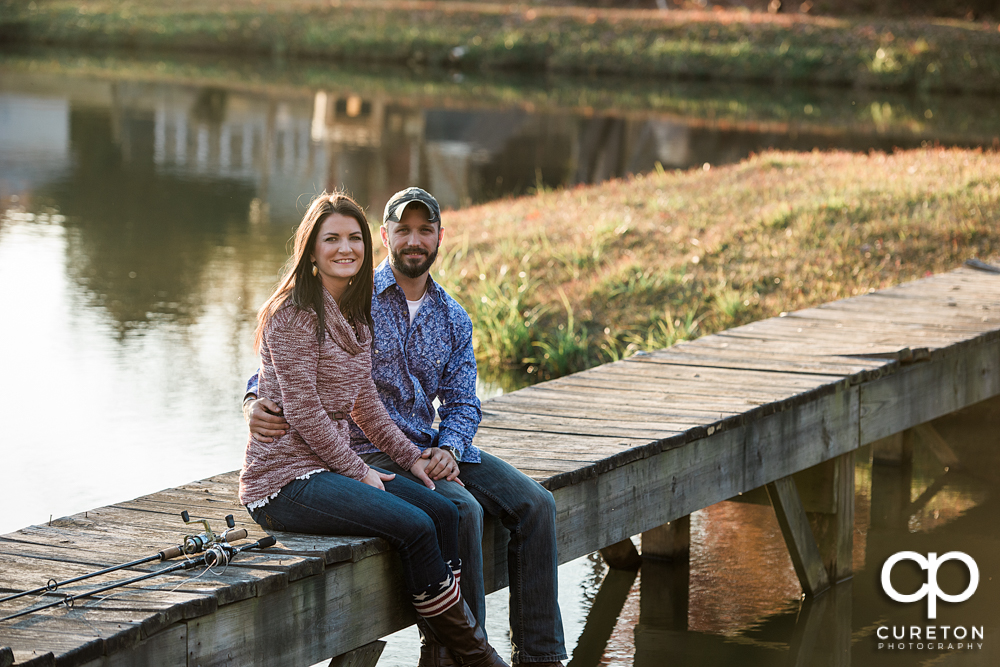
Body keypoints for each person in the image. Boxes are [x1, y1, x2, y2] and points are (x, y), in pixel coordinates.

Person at [244, 187, 567, 667]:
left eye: (425, 230)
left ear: (439, 236)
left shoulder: (448, 316)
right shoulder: (359, 293)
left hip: (422, 441)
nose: (414, 240)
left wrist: (449, 449)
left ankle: (540, 658)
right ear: (386, 236)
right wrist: (252, 399)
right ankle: (460, 655)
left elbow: (459, 402)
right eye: (403, 230)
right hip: (353, 451)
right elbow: (288, 378)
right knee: (459, 509)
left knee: (537, 503)